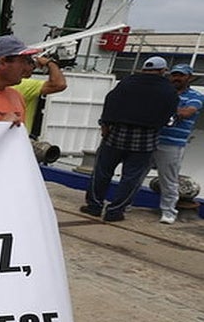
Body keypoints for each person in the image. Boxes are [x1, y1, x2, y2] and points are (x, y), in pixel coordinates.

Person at [81, 56, 179, 223]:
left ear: (143, 69)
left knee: (102, 172)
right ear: (163, 71)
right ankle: (115, 211)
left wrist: (105, 125)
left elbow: (110, 102)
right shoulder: (168, 90)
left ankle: (94, 206)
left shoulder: (127, 82)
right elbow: (169, 117)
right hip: (145, 140)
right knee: (131, 177)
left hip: (116, 135)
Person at [150, 64, 202, 224]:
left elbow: (187, 112)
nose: (176, 78)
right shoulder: (164, 92)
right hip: (150, 139)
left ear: (189, 78)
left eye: (181, 75)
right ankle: (126, 204)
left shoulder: (195, 95)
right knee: (136, 174)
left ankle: (169, 212)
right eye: (174, 75)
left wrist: (163, 110)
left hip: (172, 143)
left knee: (169, 179)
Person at [12, 54, 67, 136]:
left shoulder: (8, 85)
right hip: (20, 138)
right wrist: (50, 63)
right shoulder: (24, 85)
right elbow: (60, 84)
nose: (33, 68)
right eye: (30, 63)